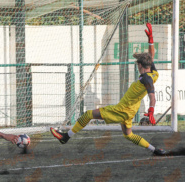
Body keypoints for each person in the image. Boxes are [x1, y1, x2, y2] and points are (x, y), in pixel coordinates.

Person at [51, 23, 167, 156]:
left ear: (140, 65)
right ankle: (155, 150)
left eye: (137, 65)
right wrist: (150, 40)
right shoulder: (154, 74)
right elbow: (151, 56)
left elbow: (152, 96)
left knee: (89, 114)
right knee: (128, 135)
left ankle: (66, 137)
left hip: (122, 110)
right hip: (130, 111)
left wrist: (151, 111)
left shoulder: (146, 79)